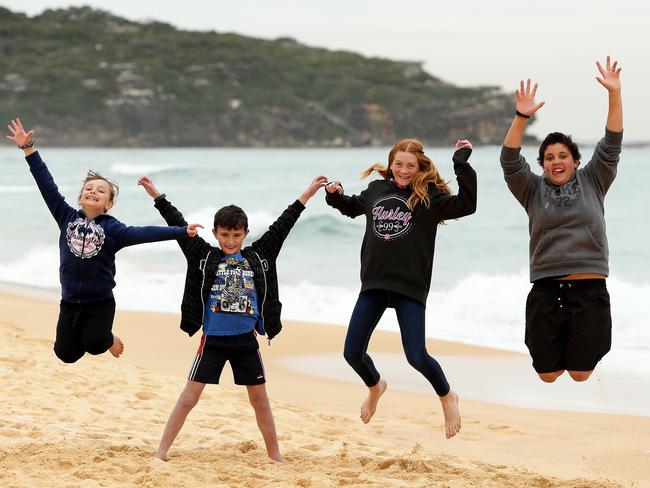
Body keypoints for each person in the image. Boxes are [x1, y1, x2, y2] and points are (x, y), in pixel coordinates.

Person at [138, 174, 327, 463]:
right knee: (189, 398)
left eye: (236, 235)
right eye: (225, 235)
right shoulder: (203, 255)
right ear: (215, 233)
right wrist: (156, 196)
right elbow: (175, 221)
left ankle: (276, 456)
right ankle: (161, 451)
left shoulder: (259, 255)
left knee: (260, 400)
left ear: (246, 233)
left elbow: (284, 223)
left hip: (245, 342)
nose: (230, 241)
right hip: (212, 341)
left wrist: (309, 193)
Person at [5, 118, 201, 363]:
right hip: (69, 302)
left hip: (100, 303)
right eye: (89, 188)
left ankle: (107, 337)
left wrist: (181, 231)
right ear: (80, 198)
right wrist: (28, 148)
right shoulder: (65, 217)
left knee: (96, 344)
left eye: (100, 190)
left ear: (108, 204)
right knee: (65, 354)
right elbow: (46, 184)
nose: (93, 192)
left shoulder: (114, 230)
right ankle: (91, 337)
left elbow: (145, 233)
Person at [324, 138, 476, 439]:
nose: (404, 170)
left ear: (420, 167)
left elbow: (467, 204)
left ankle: (447, 397)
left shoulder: (429, 198)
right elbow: (352, 207)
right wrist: (336, 195)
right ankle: (375, 385)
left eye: (410, 165)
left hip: (410, 286)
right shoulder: (377, 190)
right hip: (375, 283)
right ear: (390, 164)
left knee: (416, 356)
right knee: (352, 353)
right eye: (398, 164)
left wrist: (461, 163)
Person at [500, 56, 623, 383]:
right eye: (549, 157)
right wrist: (521, 117)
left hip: (589, 288)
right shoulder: (532, 190)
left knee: (581, 374)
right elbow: (510, 160)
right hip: (546, 289)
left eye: (563, 156)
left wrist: (614, 94)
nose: (556, 162)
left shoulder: (594, 179)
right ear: (542, 164)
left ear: (575, 160)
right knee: (547, 375)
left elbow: (611, 143)